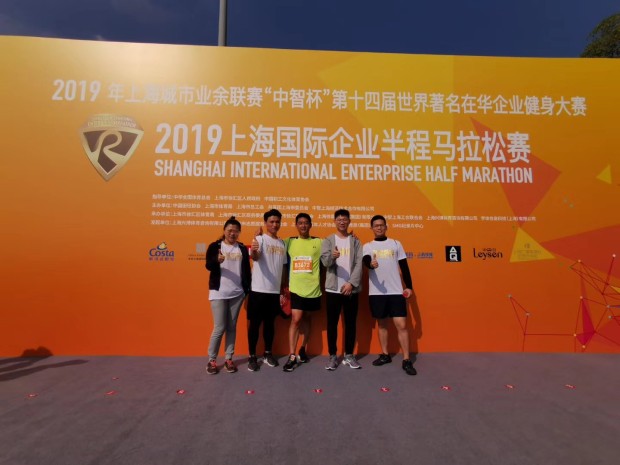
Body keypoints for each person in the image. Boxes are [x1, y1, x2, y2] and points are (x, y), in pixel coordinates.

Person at [362, 215, 417, 376]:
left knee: (402, 325)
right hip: (377, 292)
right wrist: (370, 264)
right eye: (376, 225)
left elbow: (404, 267)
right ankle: (385, 355)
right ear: (371, 228)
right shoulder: (368, 246)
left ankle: (406, 359)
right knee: (382, 325)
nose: (379, 228)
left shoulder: (396, 244)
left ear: (386, 227)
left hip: (396, 292)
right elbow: (366, 260)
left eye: (381, 225)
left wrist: (409, 287)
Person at [204, 216, 251, 375]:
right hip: (219, 292)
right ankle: (212, 360)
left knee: (231, 327)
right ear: (224, 231)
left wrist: (246, 290)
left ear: (239, 232)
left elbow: (246, 271)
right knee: (219, 327)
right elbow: (208, 265)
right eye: (230, 230)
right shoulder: (215, 246)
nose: (232, 233)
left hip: (237, 294)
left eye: (236, 231)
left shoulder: (242, 248)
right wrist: (216, 260)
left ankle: (229, 358)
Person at [320, 209, 363, 370]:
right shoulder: (328, 240)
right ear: (334, 221)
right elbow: (325, 262)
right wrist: (333, 256)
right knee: (332, 324)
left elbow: (359, 264)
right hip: (333, 289)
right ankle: (332, 356)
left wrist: (351, 283)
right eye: (339, 219)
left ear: (349, 221)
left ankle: (349, 355)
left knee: (351, 324)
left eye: (345, 219)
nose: (342, 222)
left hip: (351, 289)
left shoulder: (356, 241)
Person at [247, 209, 288, 372]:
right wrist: (254, 249)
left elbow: (283, 267)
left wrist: (283, 288)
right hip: (258, 290)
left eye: (277, 221)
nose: (274, 224)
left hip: (274, 292)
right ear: (265, 223)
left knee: (270, 325)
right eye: (271, 221)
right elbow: (255, 257)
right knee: (255, 325)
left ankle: (267, 353)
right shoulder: (260, 239)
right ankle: (252, 356)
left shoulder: (282, 243)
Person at [282, 213, 322, 372]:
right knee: (296, 319)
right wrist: (258, 238)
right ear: (296, 225)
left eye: (306, 223)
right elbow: (273, 247)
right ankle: (292, 355)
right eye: (300, 223)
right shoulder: (289, 242)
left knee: (307, 318)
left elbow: (336, 246)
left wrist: (352, 238)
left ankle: (303, 349)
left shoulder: (318, 242)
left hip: (313, 289)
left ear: (310, 225)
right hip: (296, 289)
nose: (303, 225)